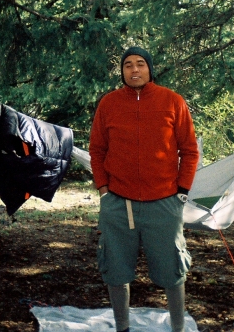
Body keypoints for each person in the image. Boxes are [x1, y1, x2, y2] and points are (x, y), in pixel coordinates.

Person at [89, 46, 200, 332]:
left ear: (150, 69)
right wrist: (103, 190)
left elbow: (189, 150)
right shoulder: (109, 104)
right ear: (122, 71)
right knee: (115, 269)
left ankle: (178, 328)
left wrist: (182, 191)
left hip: (164, 203)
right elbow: (97, 150)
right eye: (128, 65)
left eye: (140, 64)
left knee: (173, 270)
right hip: (117, 203)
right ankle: (122, 327)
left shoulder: (172, 101)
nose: (134, 70)